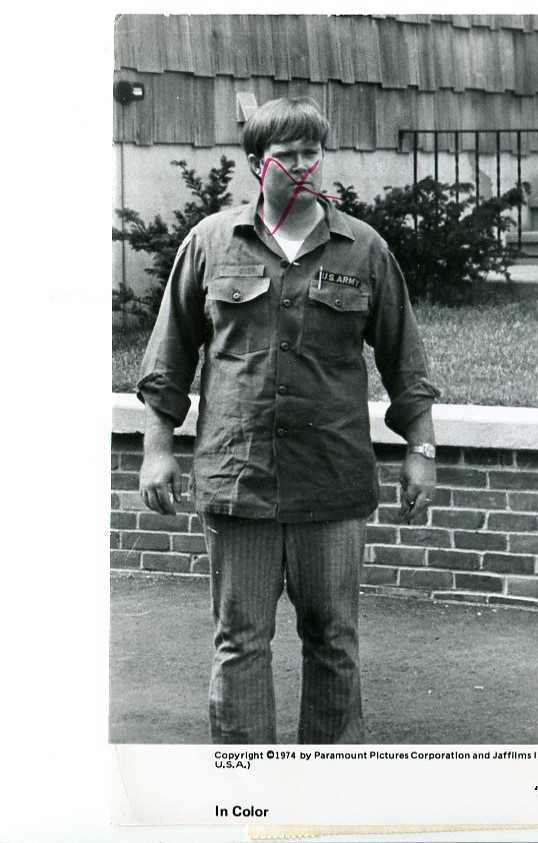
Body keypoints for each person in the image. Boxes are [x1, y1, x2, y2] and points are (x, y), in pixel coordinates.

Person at [137, 97, 439, 744]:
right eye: (286, 156)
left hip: (330, 481)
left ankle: (328, 785)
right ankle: (247, 783)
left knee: (333, 639)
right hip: (238, 479)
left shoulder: (364, 249)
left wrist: (422, 449)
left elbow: (405, 360)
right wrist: (157, 450)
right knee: (240, 639)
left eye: (312, 153)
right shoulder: (210, 243)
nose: (303, 166)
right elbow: (168, 359)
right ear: (256, 164)